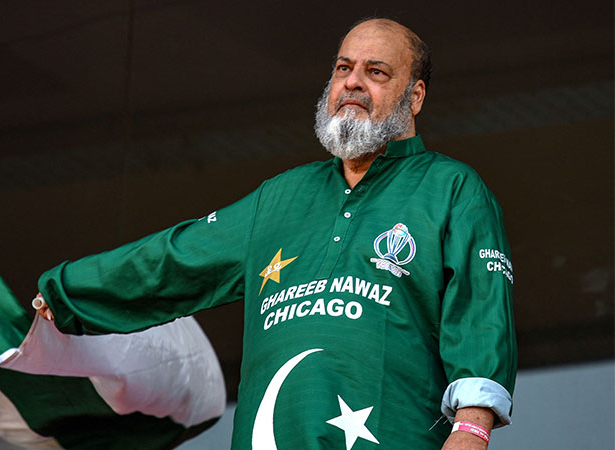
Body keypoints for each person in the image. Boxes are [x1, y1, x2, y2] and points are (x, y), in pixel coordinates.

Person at [35, 18, 516, 450]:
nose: (352, 82)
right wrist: (69, 291)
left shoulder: (450, 187)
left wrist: (471, 431)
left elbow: (480, 313)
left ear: (415, 96)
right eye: (343, 68)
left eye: (376, 72)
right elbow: (173, 258)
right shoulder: (280, 197)